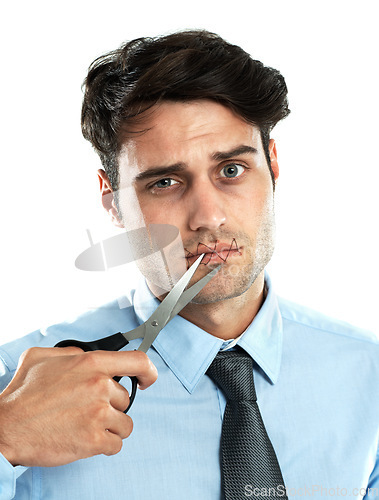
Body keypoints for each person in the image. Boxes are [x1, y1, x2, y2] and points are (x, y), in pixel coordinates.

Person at [0, 30, 378, 500]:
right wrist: (6, 438)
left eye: (232, 170)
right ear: (112, 202)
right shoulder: (17, 382)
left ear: (273, 165)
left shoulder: (368, 374)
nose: (208, 217)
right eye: (164, 182)